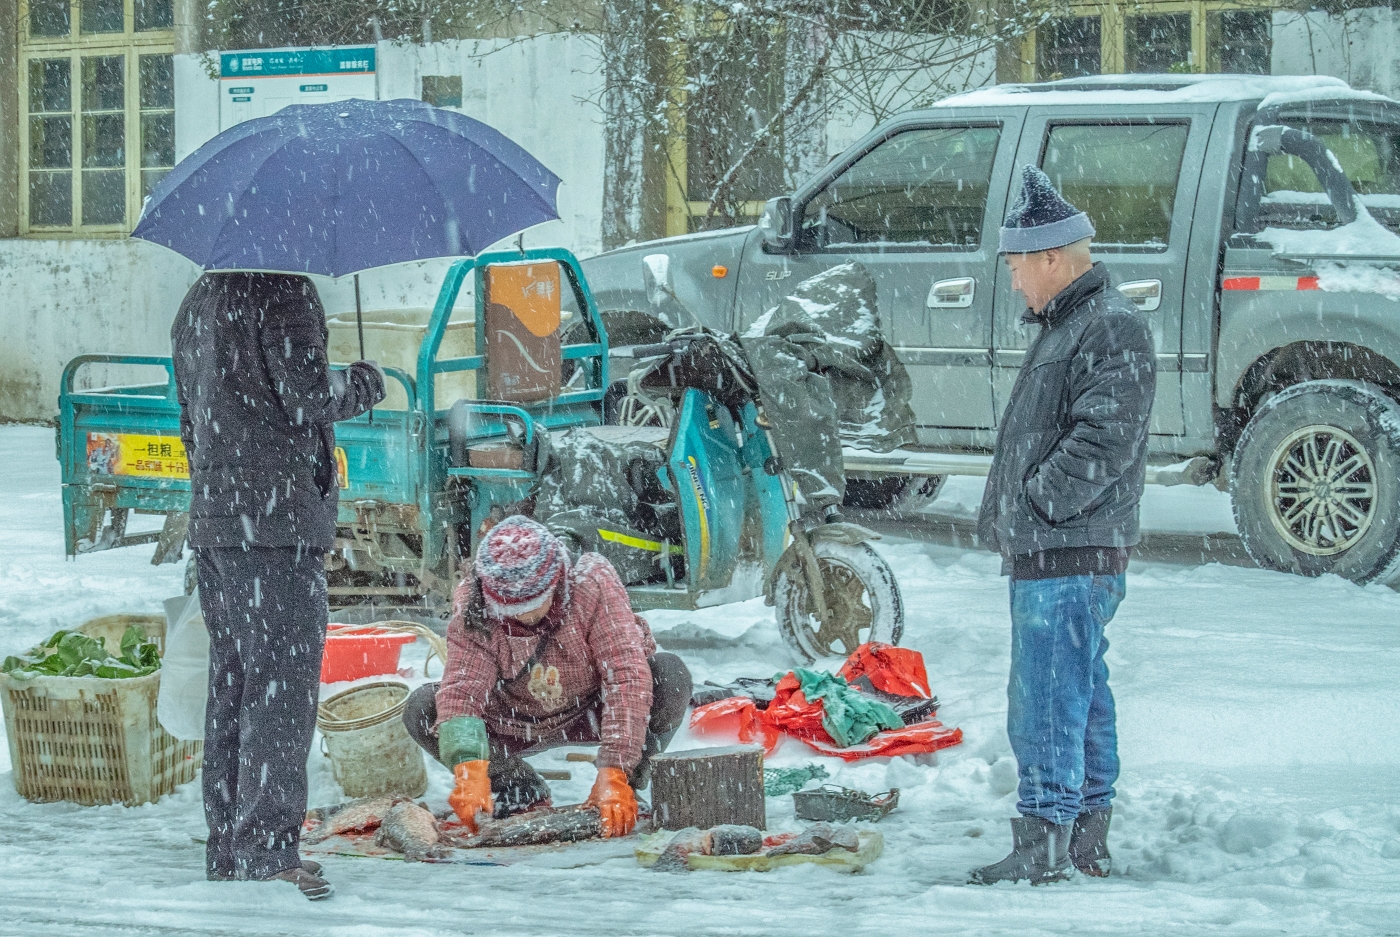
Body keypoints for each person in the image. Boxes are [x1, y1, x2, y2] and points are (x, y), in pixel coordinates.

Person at [970, 167, 1157, 885]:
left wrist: (1039, 503)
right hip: (1061, 546)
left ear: (1051, 257)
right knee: (1079, 691)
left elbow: (1104, 440)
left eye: (1018, 266)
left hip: (1067, 547)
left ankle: (1047, 836)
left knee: (1046, 696)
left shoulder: (1107, 323)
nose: (1015, 282)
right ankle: (1083, 833)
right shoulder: (1074, 321)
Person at [172, 272, 385, 899]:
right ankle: (266, 850)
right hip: (275, 526)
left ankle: (231, 845)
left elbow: (190, 418)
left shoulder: (198, 300)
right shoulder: (283, 294)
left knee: (234, 685)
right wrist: (364, 384)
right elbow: (310, 393)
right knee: (280, 692)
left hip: (219, 522)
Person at [403, 515, 691, 837]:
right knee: (424, 708)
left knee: (668, 675)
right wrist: (469, 766)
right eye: (512, 610)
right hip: (511, 721)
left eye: (534, 605)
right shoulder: (475, 603)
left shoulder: (591, 584)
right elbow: (462, 688)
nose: (525, 616)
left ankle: (625, 787)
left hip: (590, 710)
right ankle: (516, 788)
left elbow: (626, 678)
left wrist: (615, 770)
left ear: (556, 582)